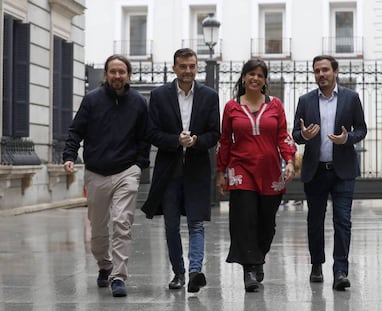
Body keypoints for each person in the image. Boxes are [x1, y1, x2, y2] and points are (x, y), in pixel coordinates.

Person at [62, 54, 150, 297]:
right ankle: (105, 264)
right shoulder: (92, 100)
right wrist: (69, 156)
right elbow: (75, 130)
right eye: (113, 72)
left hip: (126, 171)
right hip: (96, 172)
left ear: (128, 75)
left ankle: (118, 276)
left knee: (122, 222)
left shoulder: (139, 103)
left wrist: (139, 164)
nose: (117, 76)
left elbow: (145, 136)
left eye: (122, 72)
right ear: (106, 75)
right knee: (99, 229)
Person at [141, 48, 220, 293]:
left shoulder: (209, 96)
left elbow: (214, 134)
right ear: (174, 68)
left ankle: (195, 271)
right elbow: (152, 133)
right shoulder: (159, 95)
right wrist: (176, 140)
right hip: (169, 170)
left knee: (196, 224)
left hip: (197, 169)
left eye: (192, 66)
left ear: (197, 68)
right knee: (171, 225)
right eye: (183, 66)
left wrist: (196, 141)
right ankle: (178, 273)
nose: (188, 71)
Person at [216, 58, 297, 292]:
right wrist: (221, 172)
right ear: (243, 78)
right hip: (241, 169)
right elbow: (225, 141)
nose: (255, 78)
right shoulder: (231, 107)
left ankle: (258, 255)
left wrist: (289, 161)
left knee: (266, 223)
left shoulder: (276, 105)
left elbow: (283, 136)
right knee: (245, 219)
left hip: (270, 171)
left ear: (264, 80)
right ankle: (249, 269)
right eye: (251, 74)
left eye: (260, 75)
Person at [292, 55, 367, 291]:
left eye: (325, 70)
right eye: (316, 71)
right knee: (315, 221)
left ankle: (341, 270)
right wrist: (304, 136)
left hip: (343, 170)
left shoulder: (351, 98)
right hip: (315, 171)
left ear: (335, 72)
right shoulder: (305, 100)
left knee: (342, 221)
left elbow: (361, 129)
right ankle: (316, 264)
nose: (321, 75)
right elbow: (295, 133)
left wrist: (347, 138)